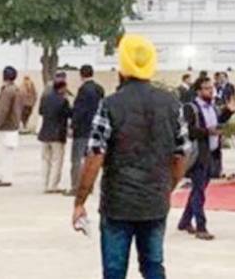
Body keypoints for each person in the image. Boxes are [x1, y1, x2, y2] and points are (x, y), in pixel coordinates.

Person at [71, 34, 188, 279]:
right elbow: (181, 155)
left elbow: (94, 157)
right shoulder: (172, 104)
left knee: (114, 270)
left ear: (121, 67)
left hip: (118, 204)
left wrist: (80, 201)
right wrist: (167, 187)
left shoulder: (110, 104)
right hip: (155, 202)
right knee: (154, 265)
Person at [178, 76, 235, 239]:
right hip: (198, 155)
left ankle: (185, 221)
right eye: (206, 88)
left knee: (199, 189)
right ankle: (201, 227)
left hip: (212, 154)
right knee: (199, 191)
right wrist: (208, 132)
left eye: (211, 88)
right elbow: (189, 130)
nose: (210, 90)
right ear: (198, 91)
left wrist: (228, 112)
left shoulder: (212, 107)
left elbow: (218, 121)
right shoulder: (192, 108)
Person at [69, 65, 104, 195]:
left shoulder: (83, 90)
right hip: (95, 129)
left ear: (81, 75)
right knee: (91, 159)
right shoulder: (99, 89)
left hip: (82, 129)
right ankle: (89, 186)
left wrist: (73, 125)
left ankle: (77, 186)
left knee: (77, 159)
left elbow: (79, 110)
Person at [38, 74, 73, 194]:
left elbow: (41, 111)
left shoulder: (45, 98)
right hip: (57, 134)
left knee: (45, 160)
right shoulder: (63, 101)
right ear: (62, 88)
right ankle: (53, 185)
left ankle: (44, 184)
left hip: (45, 132)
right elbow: (69, 114)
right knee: (57, 160)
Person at [0, 65, 24, 187]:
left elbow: (2, 111)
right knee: (10, 154)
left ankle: (5, 178)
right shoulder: (18, 90)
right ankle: (7, 177)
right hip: (14, 127)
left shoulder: (7, 91)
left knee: (3, 154)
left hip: (5, 127)